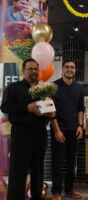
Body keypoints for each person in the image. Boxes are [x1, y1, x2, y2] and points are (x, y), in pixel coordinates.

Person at [0, 59, 54, 200]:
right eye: (30, 69)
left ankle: (37, 196)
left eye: (36, 69)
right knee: (18, 170)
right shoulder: (13, 87)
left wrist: (52, 112)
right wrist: (27, 108)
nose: (33, 71)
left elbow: (51, 108)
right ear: (23, 71)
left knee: (38, 170)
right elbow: (5, 107)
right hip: (21, 134)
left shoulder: (45, 89)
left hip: (40, 134)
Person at [50, 60, 84, 200]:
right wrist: (57, 131)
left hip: (74, 129)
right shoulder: (53, 86)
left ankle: (70, 189)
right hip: (59, 130)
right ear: (62, 69)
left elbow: (80, 109)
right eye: (67, 67)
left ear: (75, 70)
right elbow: (51, 111)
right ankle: (56, 192)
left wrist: (80, 126)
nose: (70, 69)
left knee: (71, 161)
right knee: (57, 161)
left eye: (72, 67)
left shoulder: (79, 88)